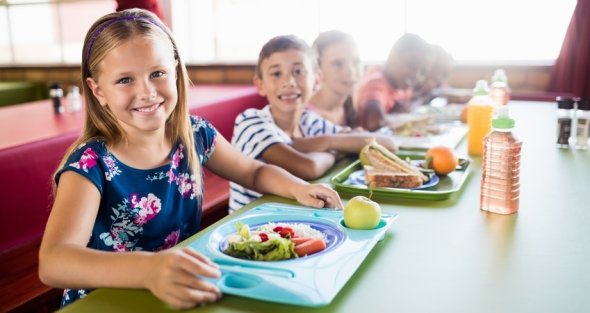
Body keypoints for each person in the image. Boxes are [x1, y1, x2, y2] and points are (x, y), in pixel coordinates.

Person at [38, 9, 343, 309]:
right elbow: (54, 261)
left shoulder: (195, 134)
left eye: (157, 74)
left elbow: (253, 171)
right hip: (106, 301)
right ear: (97, 90)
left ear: (174, 69)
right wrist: (149, 269)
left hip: (181, 290)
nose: (147, 92)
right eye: (125, 80)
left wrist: (297, 188)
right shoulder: (91, 163)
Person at [229, 34, 397, 213]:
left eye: (298, 71)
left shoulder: (308, 121)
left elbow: (388, 143)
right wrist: (335, 148)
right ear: (260, 84)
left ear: (317, 80)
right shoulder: (250, 122)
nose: (289, 82)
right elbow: (307, 167)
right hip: (252, 227)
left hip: (298, 218)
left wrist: (327, 142)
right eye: (276, 74)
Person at [355, 33, 434, 130]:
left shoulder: (401, 87)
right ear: (392, 56)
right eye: (412, 65)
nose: (416, 75)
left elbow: (407, 105)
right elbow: (373, 122)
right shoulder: (376, 83)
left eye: (422, 72)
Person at [309, 30, 362, 128]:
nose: (351, 72)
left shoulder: (349, 108)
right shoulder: (306, 117)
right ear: (317, 69)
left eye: (356, 62)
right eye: (338, 64)